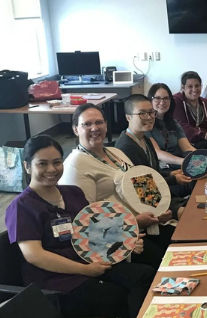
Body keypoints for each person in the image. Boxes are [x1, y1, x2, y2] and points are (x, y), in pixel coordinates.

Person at [6, 135, 154, 318]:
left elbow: (95, 231)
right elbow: (34, 255)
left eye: (57, 162)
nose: (52, 169)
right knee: (126, 297)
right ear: (27, 166)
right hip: (58, 284)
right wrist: (85, 270)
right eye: (42, 164)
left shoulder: (73, 193)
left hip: (90, 264)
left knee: (145, 275)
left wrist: (126, 243)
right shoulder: (22, 206)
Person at [60, 104, 174, 268]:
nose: (94, 128)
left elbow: (142, 186)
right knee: (165, 262)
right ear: (76, 129)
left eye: (99, 122)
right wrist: (135, 222)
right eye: (87, 124)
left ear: (106, 125)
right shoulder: (76, 165)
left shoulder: (116, 152)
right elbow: (85, 223)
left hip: (146, 225)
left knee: (182, 241)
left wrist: (159, 210)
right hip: (118, 241)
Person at [116, 94, 193, 200]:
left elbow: (152, 172)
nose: (149, 117)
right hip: (148, 201)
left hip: (157, 192)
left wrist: (170, 173)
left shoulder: (144, 138)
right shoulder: (127, 146)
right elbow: (143, 185)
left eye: (151, 112)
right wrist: (173, 179)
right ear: (128, 117)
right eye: (142, 113)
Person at [146, 83, 195, 169]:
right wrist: (183, 162)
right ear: (150, 100)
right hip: (160, 168)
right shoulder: (147, 124)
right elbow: (158, 153)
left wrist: (205, 157)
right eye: (157, 98)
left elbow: (187, 147)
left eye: (166, 98)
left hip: (178, 164)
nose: (162, 102)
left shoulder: (174, 124)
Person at [173, 71, 207, 151]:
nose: (194, 90)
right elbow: (181, 126)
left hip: (205, 142)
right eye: (190, 86)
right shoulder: (176, 101)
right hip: (186, 144)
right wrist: (203, 135)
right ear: (183, 87)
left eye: (197, 86)